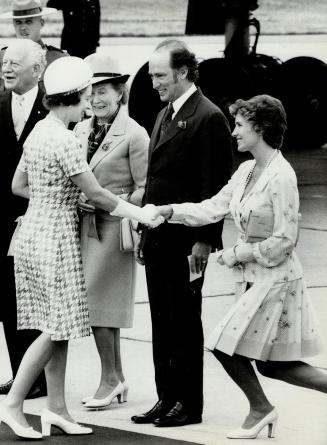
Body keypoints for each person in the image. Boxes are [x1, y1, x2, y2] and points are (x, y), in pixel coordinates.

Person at [0, 55, 162, 440]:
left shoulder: (40, 130)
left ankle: (57, 408)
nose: (90, 103)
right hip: (56, 239)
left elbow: (17, 186)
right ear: (73, 98)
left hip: (30, 236)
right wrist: (142, 216)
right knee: (56, 329)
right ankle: (14, 404)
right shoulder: (67, 139)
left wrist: (53, 197)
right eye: (87, 96)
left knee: (57, 327)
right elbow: (99, 196)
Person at [156, 94, 327, 439]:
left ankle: (261, 409)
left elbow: (284, 241)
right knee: (272, 366)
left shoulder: (282, 177)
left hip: (276, 280)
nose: (233, 132)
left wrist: (238, 253)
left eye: (240, 126)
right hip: (254, 280)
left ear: (261, 129)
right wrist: (171, 211)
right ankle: (262, 409)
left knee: (223, 345)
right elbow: (213, 207)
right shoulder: (247, 170)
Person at [131, 39, 233, 427]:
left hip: (187, 240)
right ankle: (166, 396)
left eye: (160, 75)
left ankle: (188, 403)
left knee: (185, 321)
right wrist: (144, 232)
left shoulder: (207, 117)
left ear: (183, 72)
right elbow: (156, 182)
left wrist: (205, 239)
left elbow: (215, 185)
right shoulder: (164, 114)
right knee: (162, 321)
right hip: (159, 236)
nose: (154, 82)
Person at [74, 53, 149, 409]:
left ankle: (109, 379)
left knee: (98, 306)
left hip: (114, 228)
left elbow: (145, 187)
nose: (96, 99)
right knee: (100, 308)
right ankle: (115, 377)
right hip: (84, 227)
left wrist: (111, 199)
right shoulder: (80, 129)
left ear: (120, 92)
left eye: (103, 90)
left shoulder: (134, 134)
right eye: (91, 92)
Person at [0, 39, 49, 400]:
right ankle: (22, 376)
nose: (7, 69)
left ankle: (39, 377)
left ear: (37, 69)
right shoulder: (0, 103)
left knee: (37, 298)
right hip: (1, 218)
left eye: (16, 63)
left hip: (40, 215)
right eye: (4, 63)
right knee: (7, 298)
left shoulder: (53, 107)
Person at [0, 0, 67, 91]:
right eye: (18, 22)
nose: (23, 28)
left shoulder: (57, 58)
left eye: (28, 22)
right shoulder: (3, 57)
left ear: (41, 23)